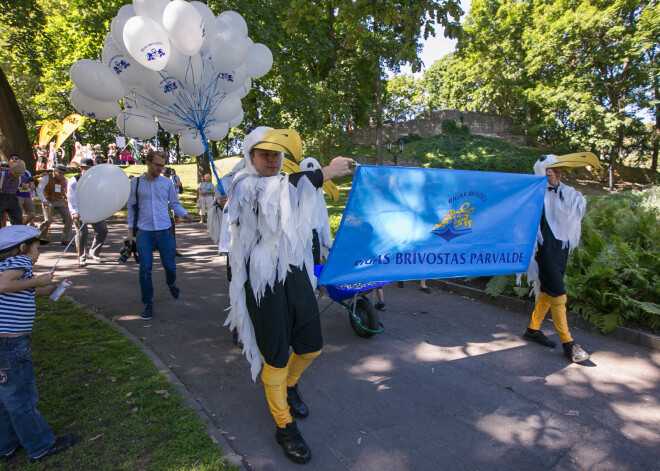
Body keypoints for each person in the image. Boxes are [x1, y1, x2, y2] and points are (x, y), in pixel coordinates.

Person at [225, 127, 354, 464]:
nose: (271, 159)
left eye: (276, 154)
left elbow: (303, 204)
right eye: (264, 153)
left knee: (312, 345)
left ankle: (290, 385)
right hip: (262, 280)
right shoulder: (242, 183)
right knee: (276, 356)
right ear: (250, 157)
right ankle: (284, 425)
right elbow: (276, 192)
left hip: (294, 270)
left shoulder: (289, 181)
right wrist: (325, 171)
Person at [0, 225, 77, 463]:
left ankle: (6, 444)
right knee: (21, 397)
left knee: (6, 398)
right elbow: (4, 286)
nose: (38, 255)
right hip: (12, 345)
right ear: (22, 249)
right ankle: (40, 445)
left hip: (5, 344)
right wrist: (40, 279)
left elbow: (19, 292)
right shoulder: (20, 263)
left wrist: (48, 290)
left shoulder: (6, 266)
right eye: (35, 250)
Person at [522, 154, 590, 363]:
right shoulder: (532, 193)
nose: (558, 173)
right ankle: (568, 343)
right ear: (543, 172)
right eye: (553, 169)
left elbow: (581, 203)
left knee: (547, 292)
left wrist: (557, 184)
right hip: (542, 251)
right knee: (559, 295)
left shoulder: (565, 191)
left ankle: (533, 330)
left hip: (560, 248)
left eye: (559, 169)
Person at [126, 150, 193, 320]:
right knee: (145, 269)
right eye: (157, 165)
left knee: (170, 266)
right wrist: (129, 233)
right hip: (144, 231)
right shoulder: (136, 183)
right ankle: (148, 303)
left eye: (163, 166)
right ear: (148, 162)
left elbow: (175, 204)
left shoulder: (166, 183)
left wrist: (185, 214)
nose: (160, 169)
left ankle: (171, 283)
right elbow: (131, 209)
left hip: (164, 230)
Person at [67, 158, 108, 267]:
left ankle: (94, 251)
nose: (88, 171)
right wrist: (74, 212)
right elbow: (71, 198)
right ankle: (81, 257)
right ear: (81, 169)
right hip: (80, 211)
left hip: (94, 210)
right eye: (85, 169)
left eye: (90, 169)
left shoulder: (96, 180)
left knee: (103, 230)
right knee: (82, 233)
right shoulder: (74, 180)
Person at [36, 164, 73, 245]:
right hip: (48, 200)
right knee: (48, 220)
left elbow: (67, 191)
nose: (62, 175)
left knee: (68, 218)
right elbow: (39, 190)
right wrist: (44, 200)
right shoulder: (46, 177)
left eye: (63, 173)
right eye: (60, 173)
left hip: (60, 200)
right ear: (55, 171)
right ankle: (40, 237)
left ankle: (66, 239)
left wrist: (69, 200)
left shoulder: (64, 180)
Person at [8, 154, 36, 226]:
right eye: (12, 158)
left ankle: (22, 226)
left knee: (32, 214)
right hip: (16, 196)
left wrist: (28, 187)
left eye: (16, 158)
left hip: (26, 195)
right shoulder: (7, 171)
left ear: (20, 161)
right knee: (18, 216)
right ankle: (18, 229)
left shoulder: (26, 172)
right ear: (9, 161)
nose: (14, 159)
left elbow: (32, 184)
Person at [0, 159, 27, 226]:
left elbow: (28, 179)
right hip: (1, 197)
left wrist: (28, 186)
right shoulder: (2, 175)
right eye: (17, 174)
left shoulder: (20, 178)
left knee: (18, 219)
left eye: (19, 175)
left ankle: (17, 234)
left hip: (12, 198)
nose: (18, 176)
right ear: (11, 170)